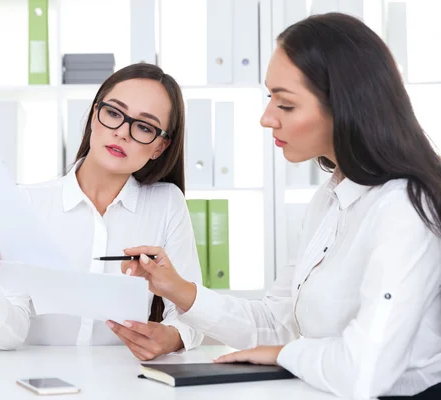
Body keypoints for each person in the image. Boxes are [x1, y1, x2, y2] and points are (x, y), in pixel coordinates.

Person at [120, 13, 441, 399]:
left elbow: (364, 371)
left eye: (285, 105)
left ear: (346, 107)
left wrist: (284, 354)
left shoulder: (403, 208)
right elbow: (279, 322)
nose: (266, 118)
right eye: (269, 97)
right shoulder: (330, 200)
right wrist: (180, 290)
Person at [0, 63, 204, 360]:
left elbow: (191, 313)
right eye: (113, 113)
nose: (122, 132)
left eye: (144, 127)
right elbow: (9, 335)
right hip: (36, 383)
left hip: (125, 383)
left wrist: (171, 337)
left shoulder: (166, 204)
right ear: (95, 115)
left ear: (160, 147)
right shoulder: (28, 202)